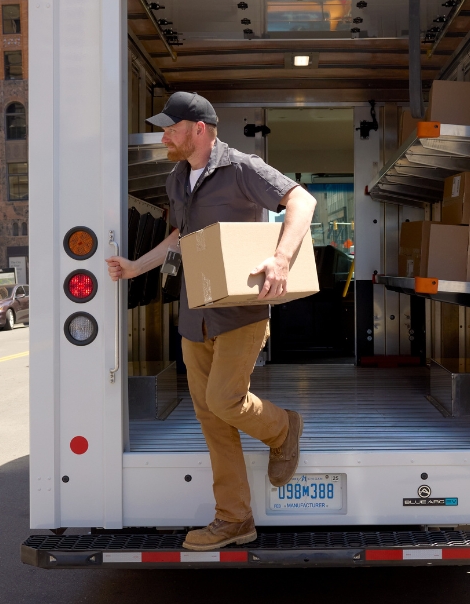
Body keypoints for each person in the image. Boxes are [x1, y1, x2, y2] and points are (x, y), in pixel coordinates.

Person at [106, 92, 317, 551]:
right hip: (194, 313)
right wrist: (137, 267)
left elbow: (302, 201)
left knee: (224, 400)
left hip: (240, 311)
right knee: (210, 419)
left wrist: (281, 259)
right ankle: (234, 519)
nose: (164, 135)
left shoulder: (242, 167)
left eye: (170, 128)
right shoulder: (177, 179)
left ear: (198, 129)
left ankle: (284, 428)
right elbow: (182, 235)